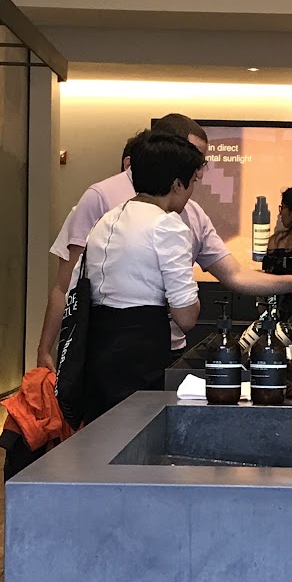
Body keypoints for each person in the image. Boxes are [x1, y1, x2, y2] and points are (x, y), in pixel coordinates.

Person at [35, 111, 292, 368]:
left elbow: (235, 274)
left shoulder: (186, 213)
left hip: (160, 347)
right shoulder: (107, 200)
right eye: (194, 159)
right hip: (115, 349)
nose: (200, 172)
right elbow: (67, 286)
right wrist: (46, 348)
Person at [77, 130, 204, 423]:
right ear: (177, 184)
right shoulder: (168, 226)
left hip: (94, 348)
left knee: (99, 436)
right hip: (139, 352)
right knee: (136, 436)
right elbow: (186, 317)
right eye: (192, 182)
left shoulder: (105, 221)